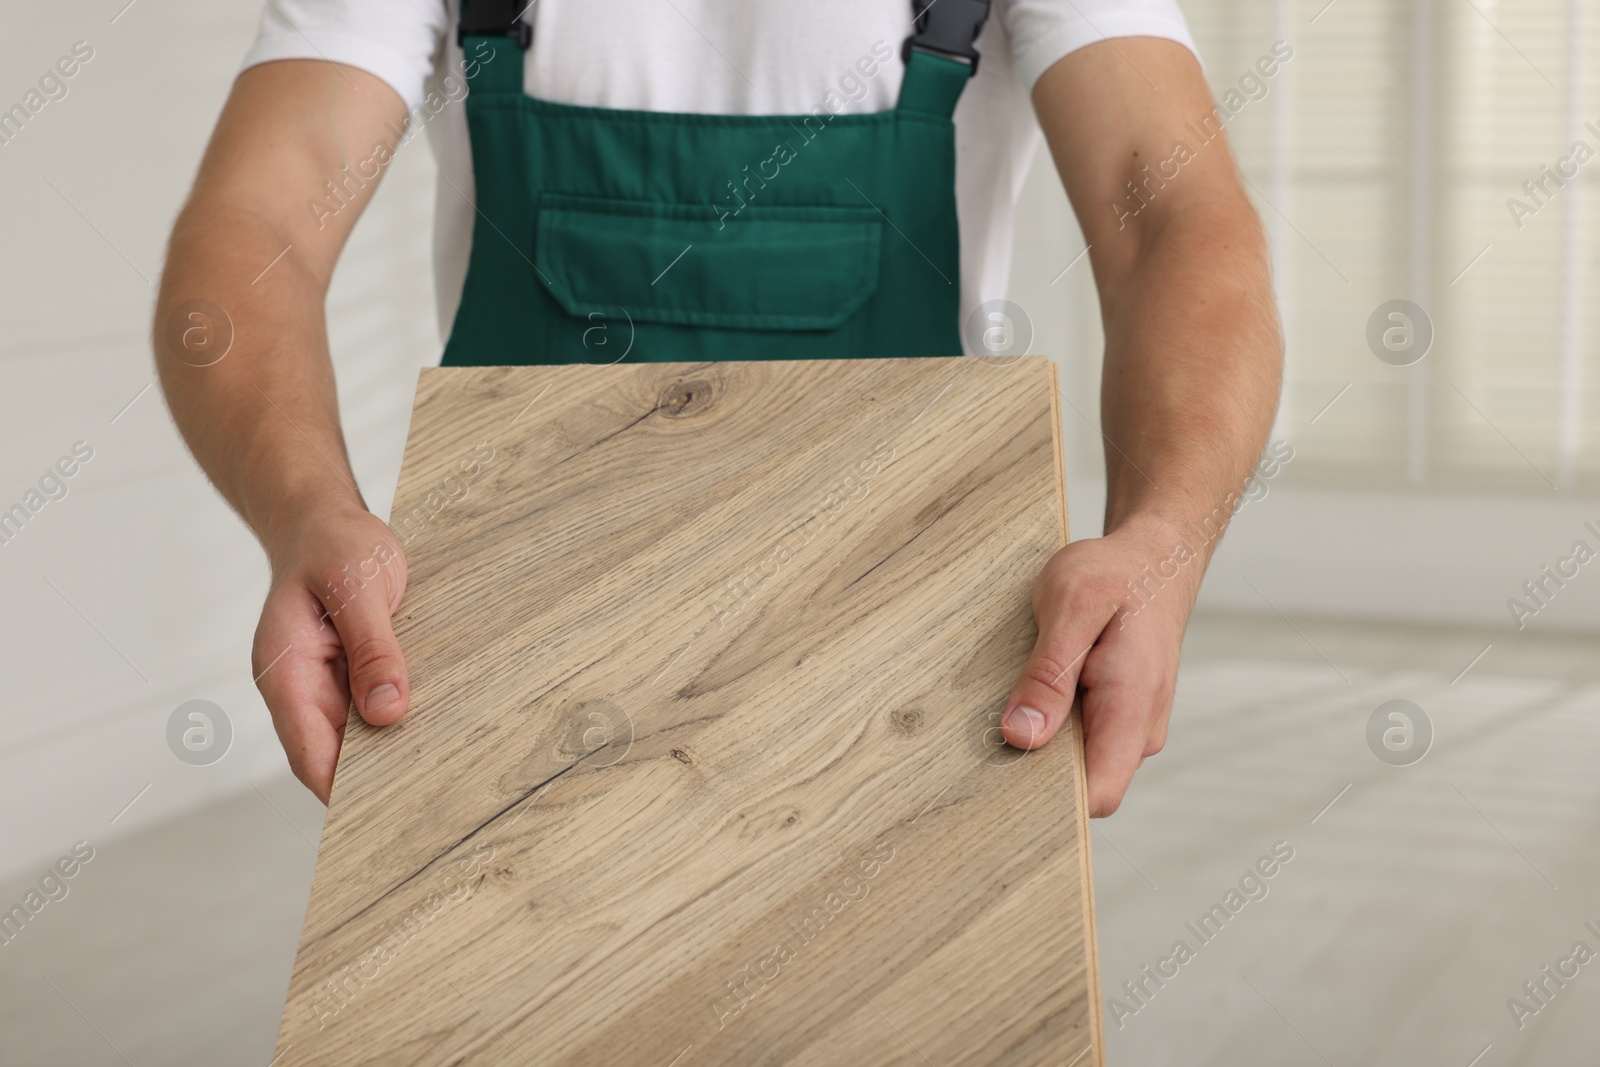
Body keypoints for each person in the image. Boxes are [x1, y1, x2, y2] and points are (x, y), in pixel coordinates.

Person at [154, 0, 1281, 814]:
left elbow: (1174, 218)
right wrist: (306, 513)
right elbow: (254, 228)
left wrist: (1161, 540)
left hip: (919, 653)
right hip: (508, 659)